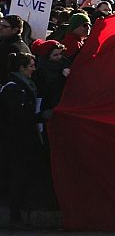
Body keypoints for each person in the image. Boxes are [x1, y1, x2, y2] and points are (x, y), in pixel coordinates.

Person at [0, 52, 53, 229]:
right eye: (30, 66)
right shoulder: (13, 88)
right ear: (21, 68)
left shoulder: (24, 86)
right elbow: (18, 116)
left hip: (24, 138)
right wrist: (40, 117)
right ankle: (15, 214)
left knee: (23, 174)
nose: (34, 69)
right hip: (17, 140)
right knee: (19, 175)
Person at [0, 15, 31, 85]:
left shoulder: (10, 47)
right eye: (0, 25)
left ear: (15, 30)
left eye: (4, 26)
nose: (0, 28)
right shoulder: (21, 45)